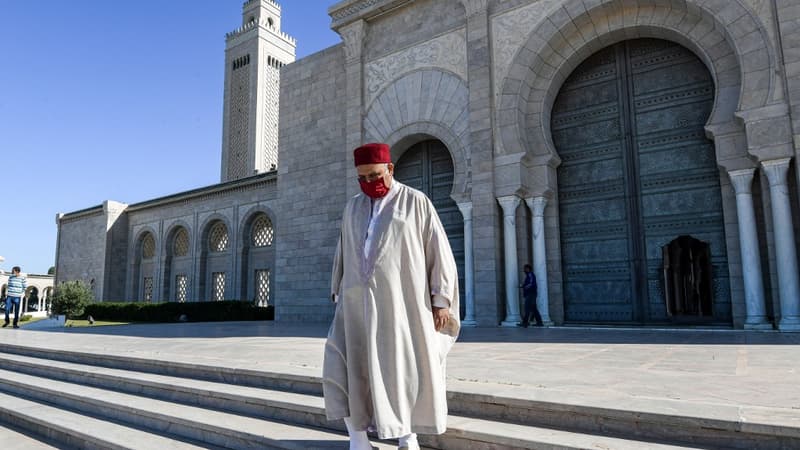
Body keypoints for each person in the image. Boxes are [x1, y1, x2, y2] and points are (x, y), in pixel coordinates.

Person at [323, 142, 460, 450]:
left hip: (402, 305)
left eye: (374, 175)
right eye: (362, 178)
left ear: (390, 169)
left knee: (403, 369)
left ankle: (407, 437)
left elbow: (438, 251)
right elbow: (342, 252)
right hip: (356, 305)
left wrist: (441, 300)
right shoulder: (353, 206)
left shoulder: (416, 202)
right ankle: (357, 439)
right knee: (344, 367)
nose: (369, 183)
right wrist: (338, 290)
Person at [518, 264, 542, 328]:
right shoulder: (529, 275)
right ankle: (539, 322)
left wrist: (524, 286)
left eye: (525, 269)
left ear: (528, 269)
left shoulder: (530, 274)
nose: (524, 270)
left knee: (527, 308)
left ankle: (525, 323)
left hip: (531, 294)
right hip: (531, 294)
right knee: (534, 309)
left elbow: (532, 283)